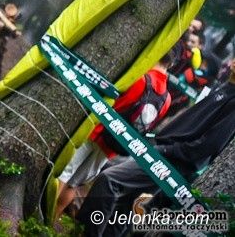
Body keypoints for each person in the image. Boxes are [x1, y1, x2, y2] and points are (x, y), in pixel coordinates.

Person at [76, 58, 235, 237]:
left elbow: (211, 144)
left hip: (172, 161)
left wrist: (169, 150)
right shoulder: (224, 87)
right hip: (166, 152)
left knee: (109, 180)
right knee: (128, 205)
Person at [53, 49, 175, 221]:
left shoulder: (140, 77)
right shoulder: (167, 99)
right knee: (74, 183)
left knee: (64, 173)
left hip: (96, 131)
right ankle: (52, 220)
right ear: (171, 64)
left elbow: (114, 103)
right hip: (113, 146)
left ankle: (40, 216)